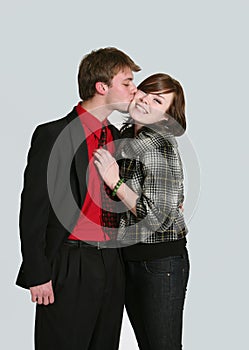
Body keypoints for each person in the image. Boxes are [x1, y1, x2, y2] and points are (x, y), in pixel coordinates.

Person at [16, 47, 140, 350]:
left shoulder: (121, 139)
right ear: (102, 87)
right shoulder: (53, 135)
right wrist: (37, 273)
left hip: (113, 263)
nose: (134, 89)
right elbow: (33, 209)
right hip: (70, 263)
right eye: (127, 82)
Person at [94, 73, 190, 350]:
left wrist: (116, 182)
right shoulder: (126, 137)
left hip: (160, 263)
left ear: (166, 116)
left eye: (157, 100)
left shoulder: (158, 143)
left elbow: (156, 219)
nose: (146, 101)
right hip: (131, 258)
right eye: (146, 92)